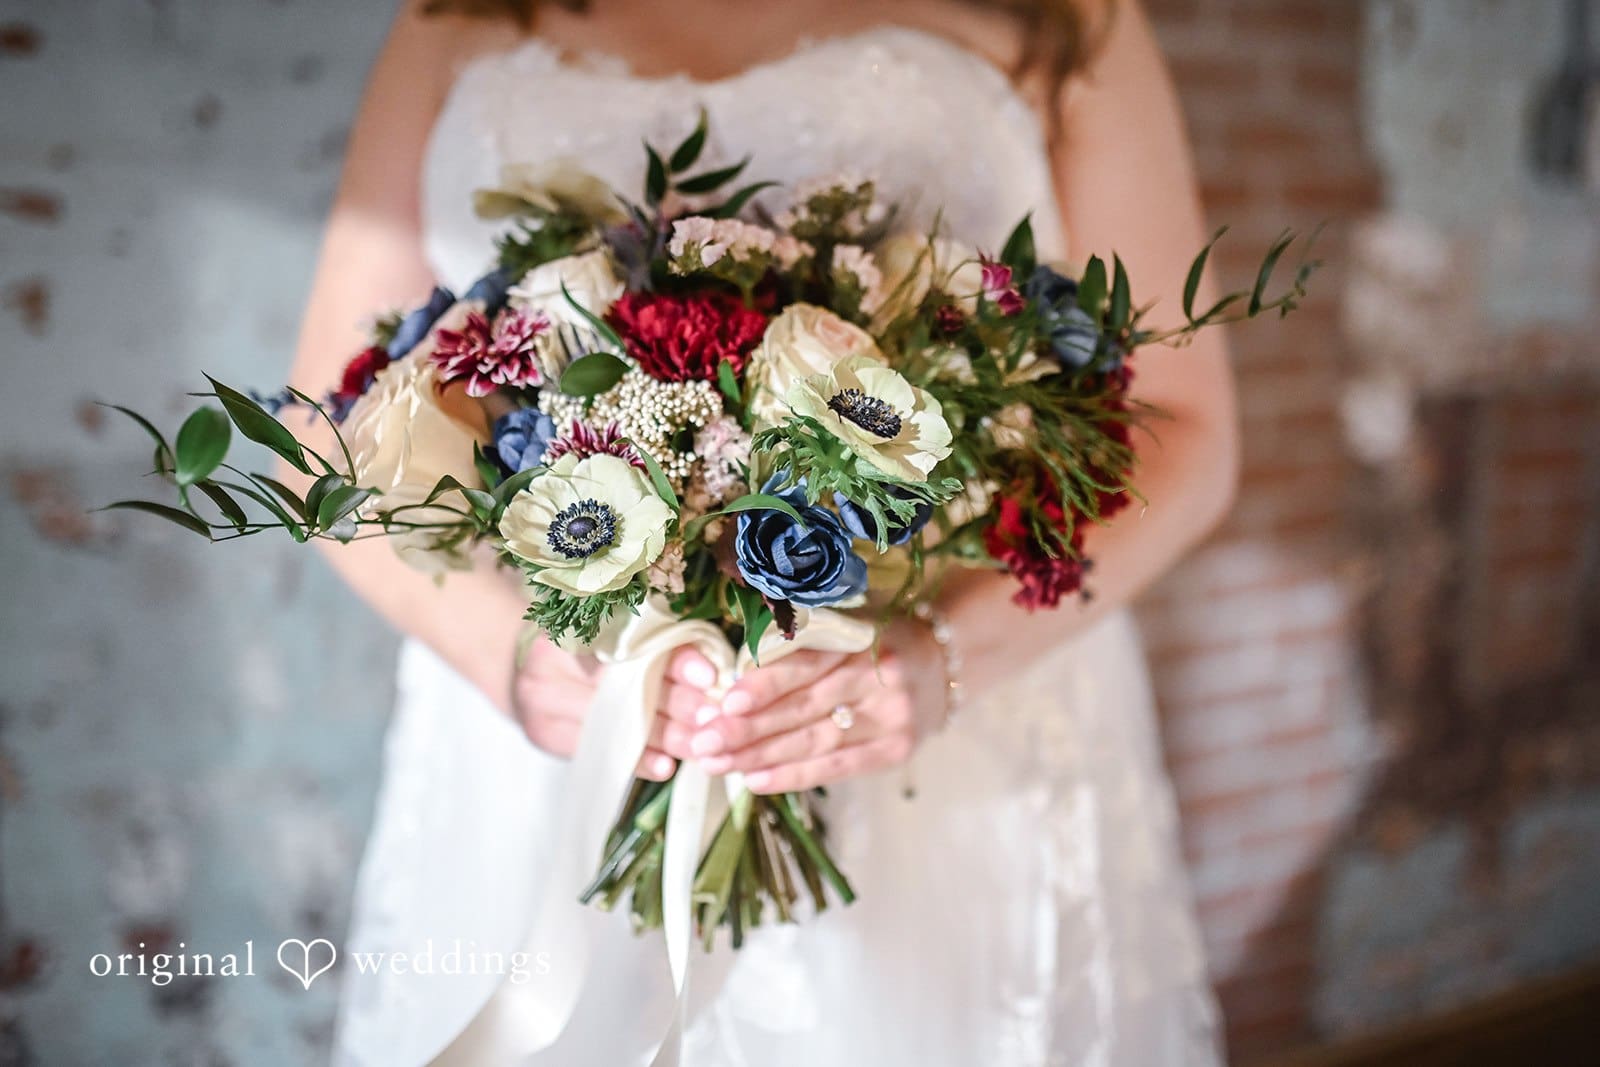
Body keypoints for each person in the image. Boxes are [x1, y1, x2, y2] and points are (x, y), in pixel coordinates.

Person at [287, 1, 1238, 1063]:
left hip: (945, 729)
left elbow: (1187, 430)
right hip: (561, 731)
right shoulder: (454, 13)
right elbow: (319, 434)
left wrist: (942, 660)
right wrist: (502, 652)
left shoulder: (1068, 15)